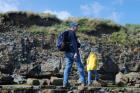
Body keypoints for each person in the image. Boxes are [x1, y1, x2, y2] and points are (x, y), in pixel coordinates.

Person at [63, 22, 86, 87]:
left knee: (67, 68)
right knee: (80, 66)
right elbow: (74, 43)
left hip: (67, 52)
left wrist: (78, 44)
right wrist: (76, 52)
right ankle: (83, 82)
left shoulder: (67, 33)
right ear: (73, 27)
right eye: (76, 26)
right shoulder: (72, 33)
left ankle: (65, 83)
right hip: (73, 52)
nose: (77, 28)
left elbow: (72, 43)